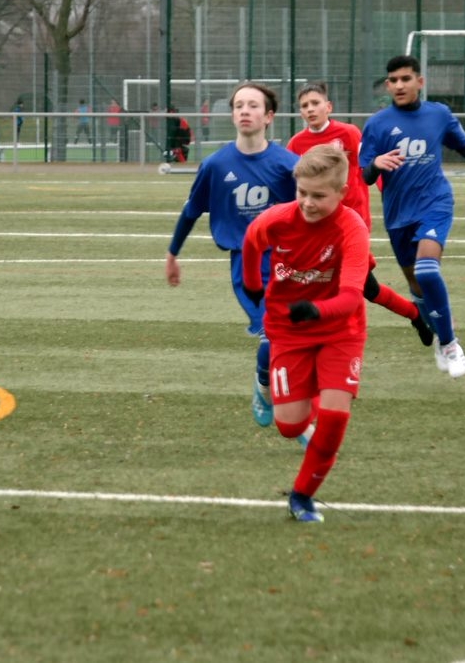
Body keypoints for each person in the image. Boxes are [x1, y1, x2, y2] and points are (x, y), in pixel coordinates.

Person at [241, 144, 371, 522]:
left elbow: (350, 297)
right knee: (290, 426)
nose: (308, 203)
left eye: (319, 196)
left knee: (332, 421)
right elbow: (252, 240)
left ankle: (302, 497)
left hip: (339, 330)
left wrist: (317, 309)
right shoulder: (277, 219)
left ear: (342, 193)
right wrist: (252, 284)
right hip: (287, 330)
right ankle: (267, 382)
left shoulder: (352, 229)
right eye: (302, 193)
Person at [164, 81, 299, 435]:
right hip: (247, 266)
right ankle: (265, 388)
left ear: (269, 116)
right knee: (274, 335)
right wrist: (172, 253)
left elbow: (316, 208)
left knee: (293, 336)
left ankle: (277, 390)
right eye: (239, 105)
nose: (244, 111)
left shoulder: (289, 165)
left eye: (253, 105)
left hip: (289, 262)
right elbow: (192, 210)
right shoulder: (215, 164)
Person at [359, 54, 465, 378]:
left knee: (426, 269)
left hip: (435, 201)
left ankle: (450, 343)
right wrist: (376, 164)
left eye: (406, 79)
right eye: (393, 80)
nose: (399, 85)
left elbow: (464, 145)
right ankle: (438, 334)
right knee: (415, 283)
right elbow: (365, 175)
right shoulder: (377, 124)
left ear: (419, 82)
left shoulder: (439, 114)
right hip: (397, 215)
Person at [287, 81, 433, 347]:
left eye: (315, 103)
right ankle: (414, 315)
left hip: (351, 222)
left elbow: (367, 167)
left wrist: (383, 189)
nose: (310, 109)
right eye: (305, 106)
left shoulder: (349, 133)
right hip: (317, 224)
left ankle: (340, 337)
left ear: (328, 106)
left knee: (352, 286)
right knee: (367, 288)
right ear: (300, 112)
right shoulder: (297, 144)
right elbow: (292, 185)